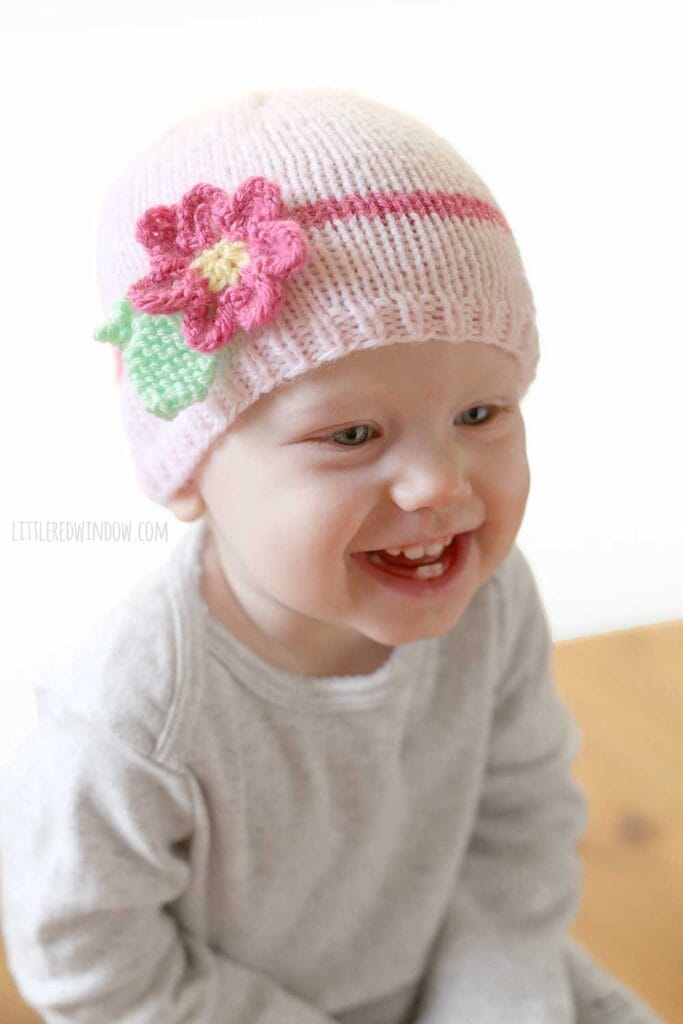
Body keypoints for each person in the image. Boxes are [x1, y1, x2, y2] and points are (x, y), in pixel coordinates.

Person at [0, 88, 662, 1023]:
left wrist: (495, 1001)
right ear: (188, 465)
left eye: (479, 415)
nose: (438, 485)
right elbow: (92, 963)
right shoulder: (132, 719)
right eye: (351, 433)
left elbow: (520, 823)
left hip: (463, 974)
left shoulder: (493, 599)